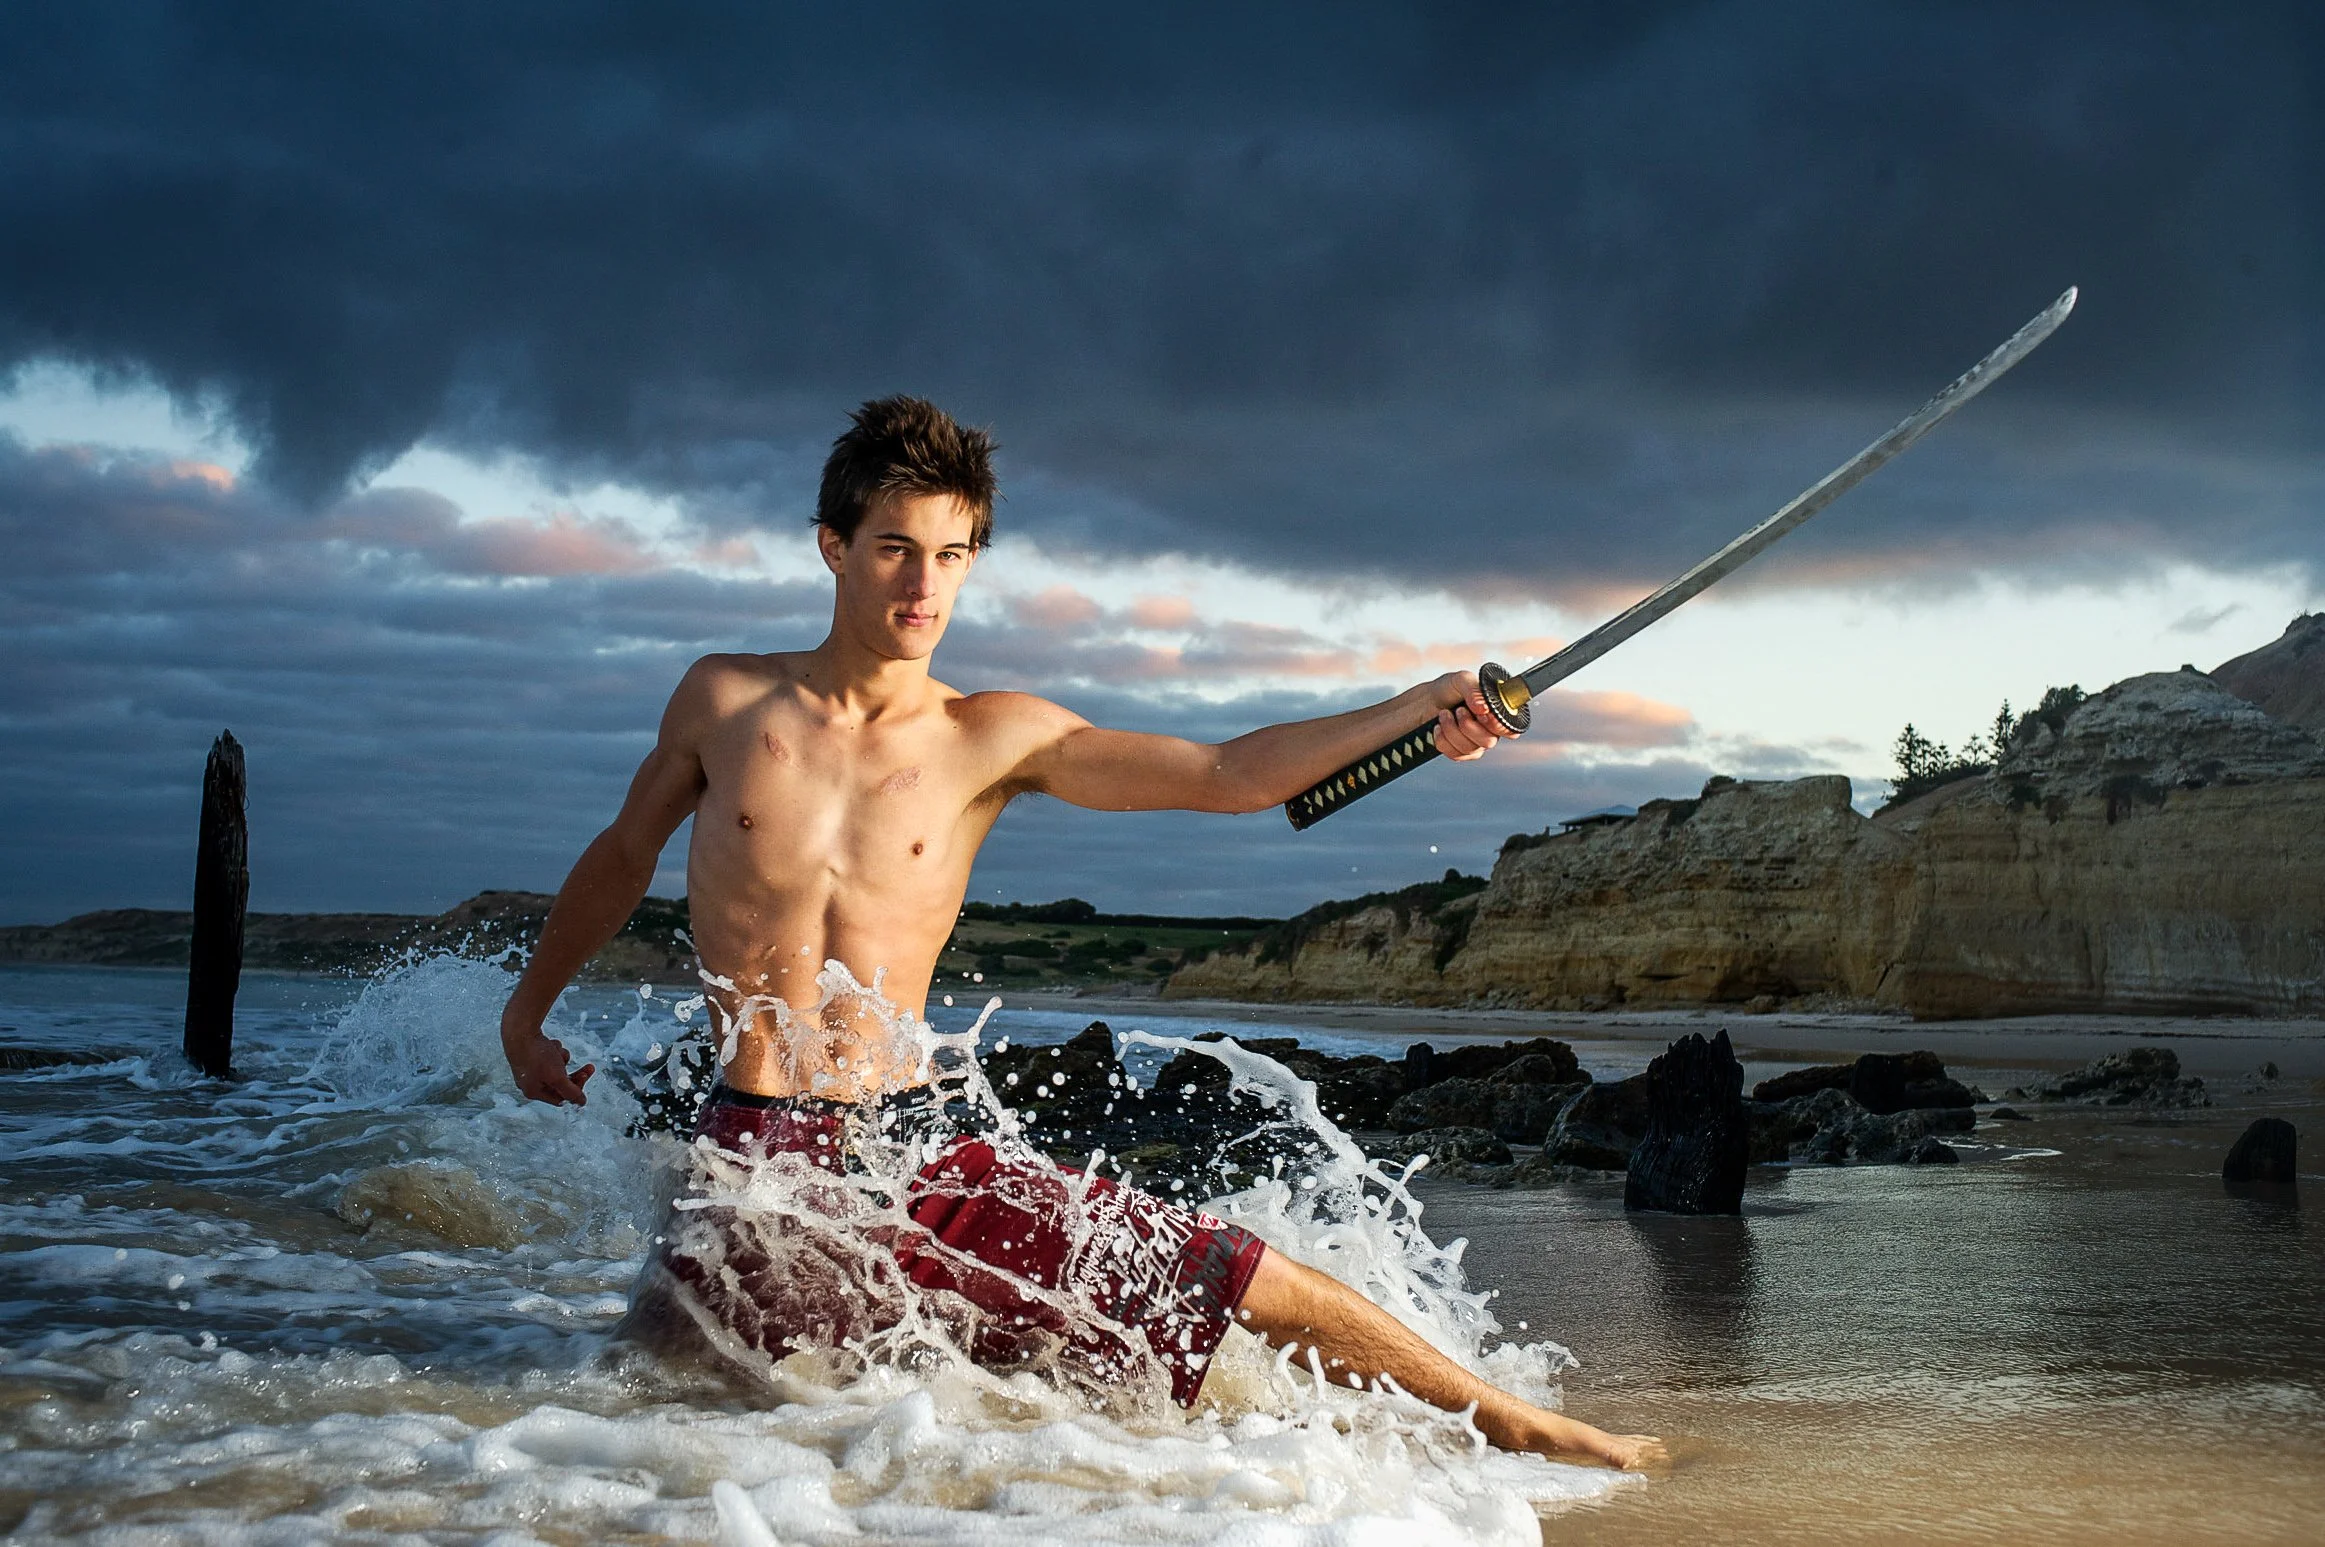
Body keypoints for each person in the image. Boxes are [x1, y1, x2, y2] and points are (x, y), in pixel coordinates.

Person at [498, 396, 1663, 1470]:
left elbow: (1224, 773)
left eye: (953, 555)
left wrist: (1418, 706)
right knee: (629, 1434)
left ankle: (1513, 1419)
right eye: (898, 546)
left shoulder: (990, 737)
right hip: (751, 1171)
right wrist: (527, 1011)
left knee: (1235, 1275)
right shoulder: (725, 702)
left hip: (908, 1155)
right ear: (833, 545)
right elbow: (622, 856)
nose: (925, 584)